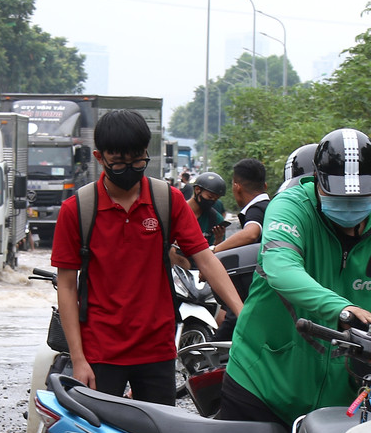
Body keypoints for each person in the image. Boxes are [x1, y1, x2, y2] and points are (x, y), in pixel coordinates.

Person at [217, 127, 371, 426]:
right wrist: (342, 309)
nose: (350, 203)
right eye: (336, 194)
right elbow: (281, 268)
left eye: (362, 196)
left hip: (342, 398)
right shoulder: (290, 208)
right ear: (318, 182)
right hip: (261, 380)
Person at [51, 109, 243, 405]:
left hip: (156, 349)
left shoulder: (167, 200)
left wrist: (242, 314)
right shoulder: (77, 210)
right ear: (99, 157)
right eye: (118, 162)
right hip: (100, 352)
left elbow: (205, 259)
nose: (129, 168)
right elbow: (66, 286)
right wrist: (78, 358)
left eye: (137, 160)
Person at [212, 158, 270, 252]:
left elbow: (250, 234)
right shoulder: (272, 207)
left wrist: (214, 250)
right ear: (265, 186)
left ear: (237, 187)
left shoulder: (255, 210)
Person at [187, 171, 229, 247]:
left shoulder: (216, 219)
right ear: (197, 190)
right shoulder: (177, 211)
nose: (212, 201)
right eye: (210, 197)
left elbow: (215, 254)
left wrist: (218, 240)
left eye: (216, 199)